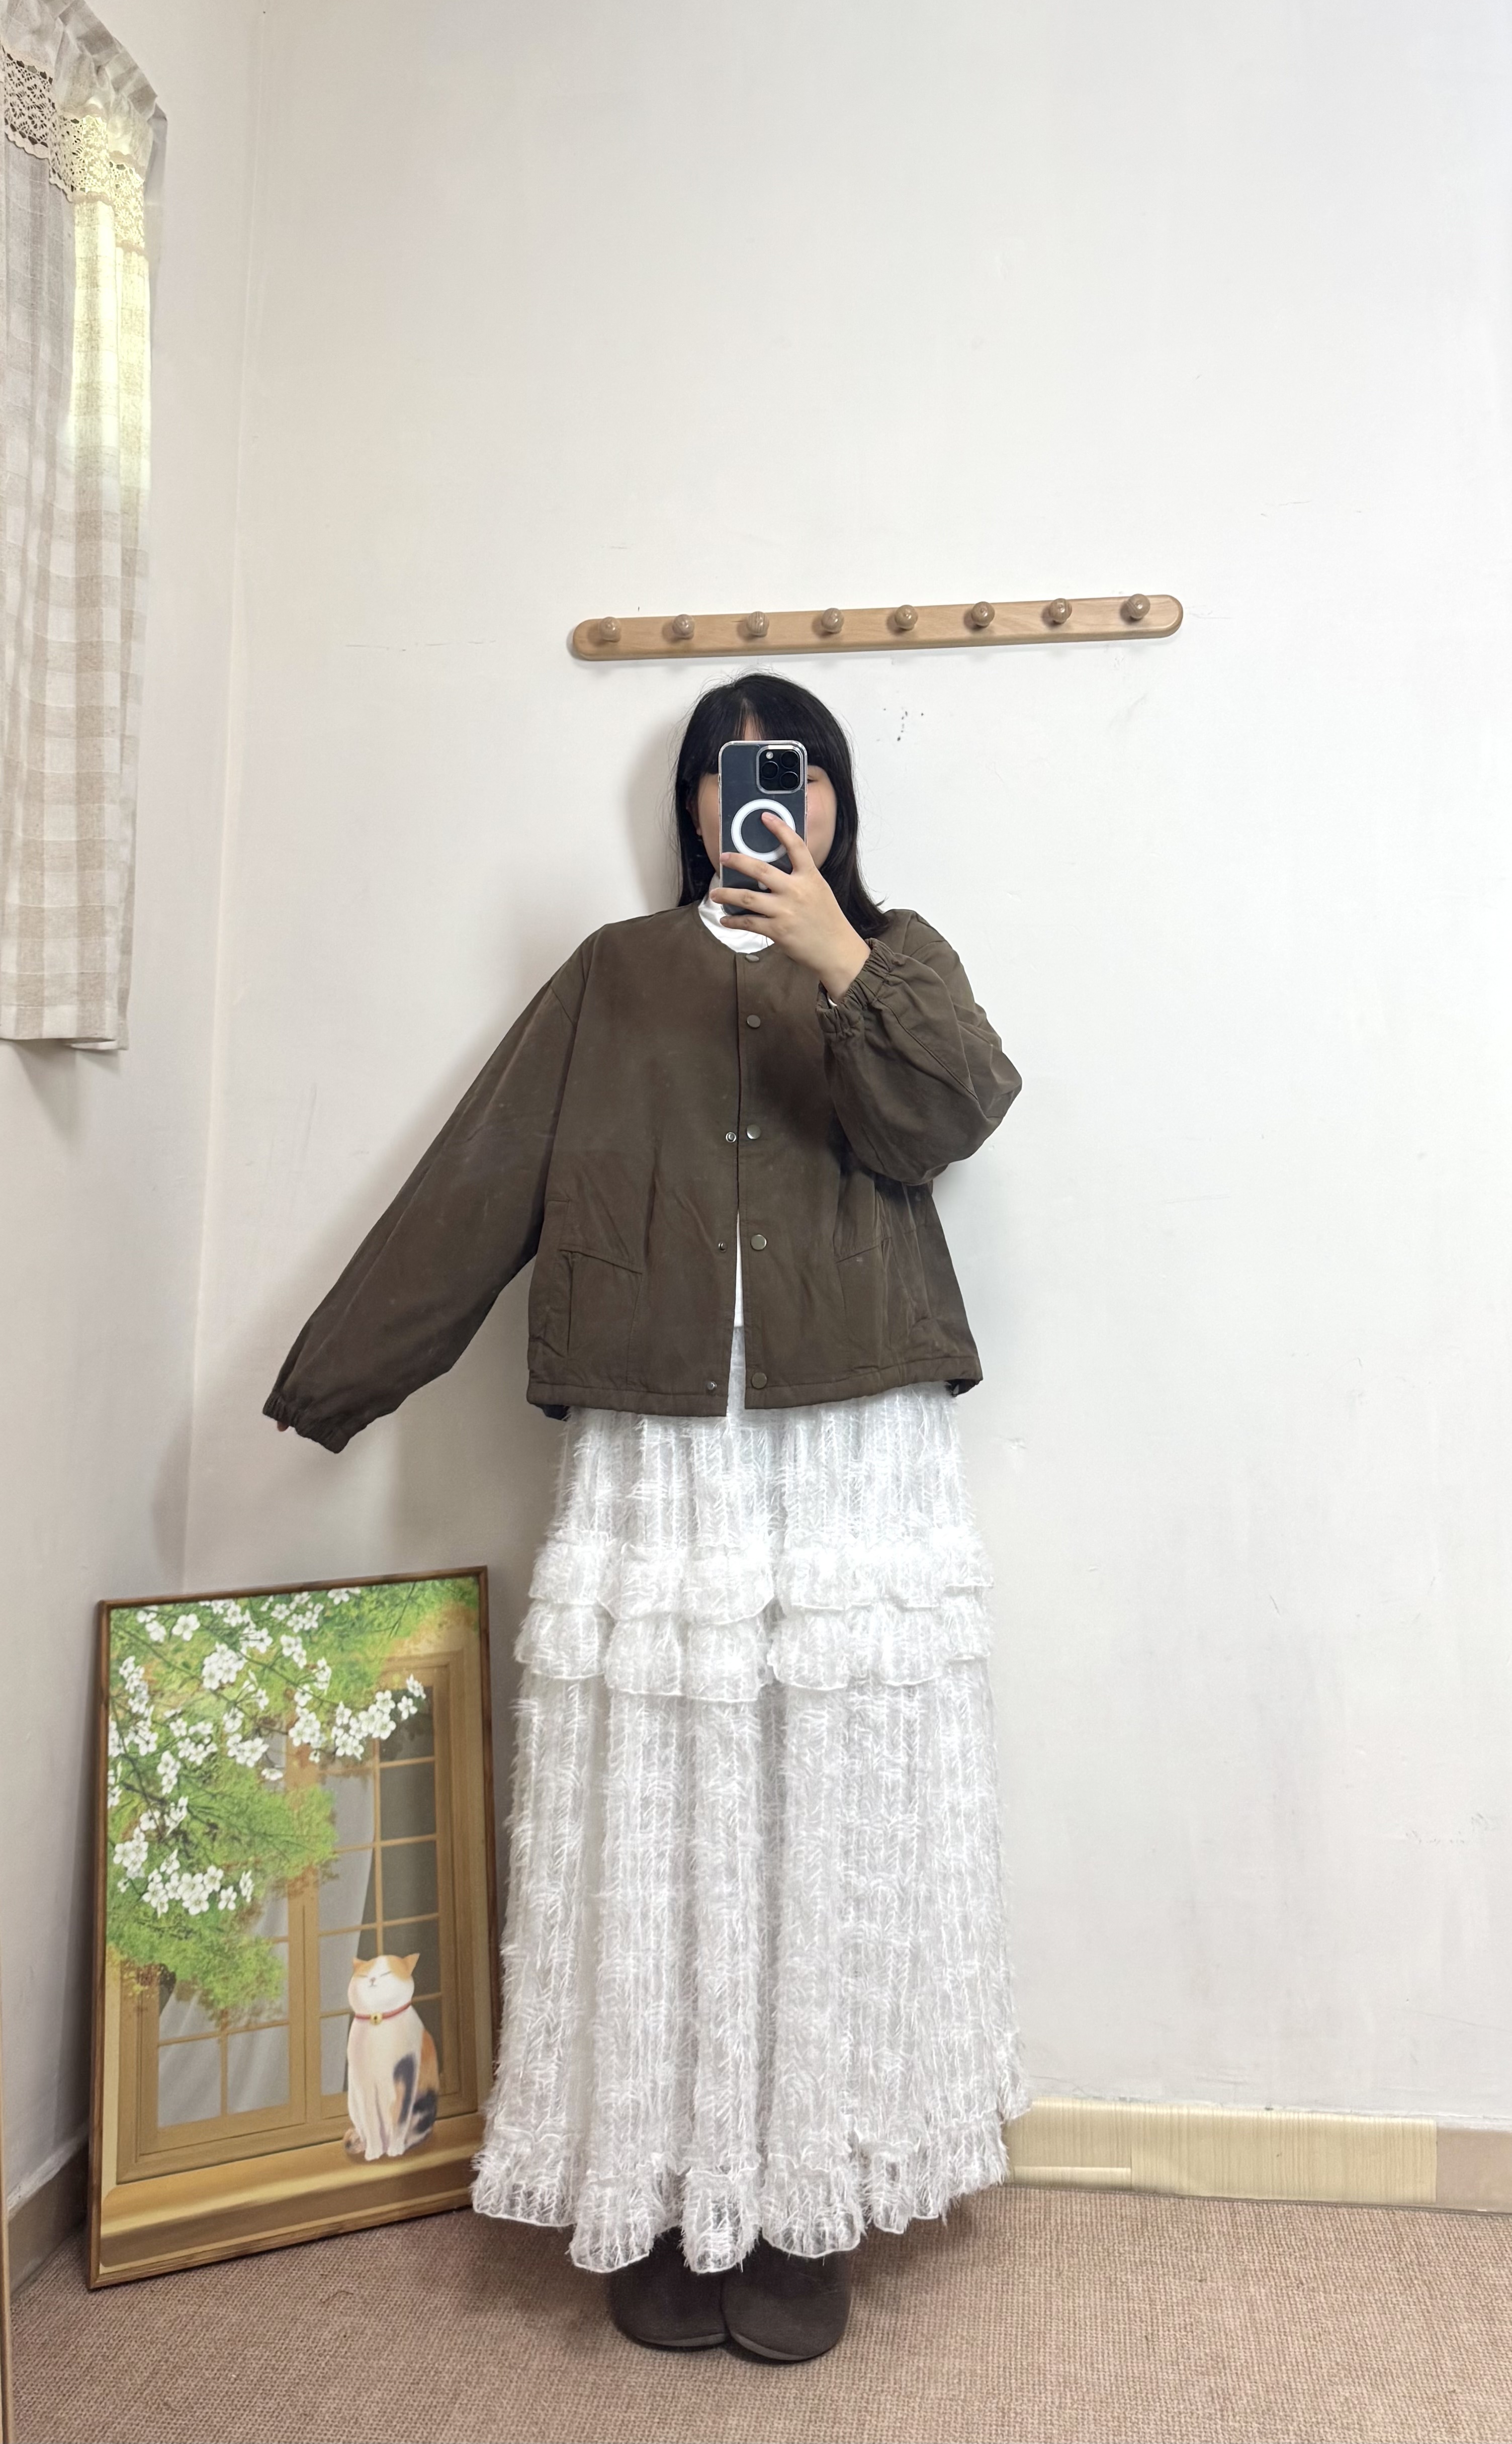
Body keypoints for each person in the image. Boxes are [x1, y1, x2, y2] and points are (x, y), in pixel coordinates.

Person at [266, 672, 1025, 2365]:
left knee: (823, 1810)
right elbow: (478, 1177)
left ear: (833, 800)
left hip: (845, 1453)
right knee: (666, 1818)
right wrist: (338, 1378)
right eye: (731, 773)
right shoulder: (615, 974)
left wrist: (839, 957)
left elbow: (957, 1111)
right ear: (692, 803)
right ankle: (676, 2185)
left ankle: (807, 2199)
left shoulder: (897, 957)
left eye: (797, 773)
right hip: (665, 1455)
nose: (767, 798)